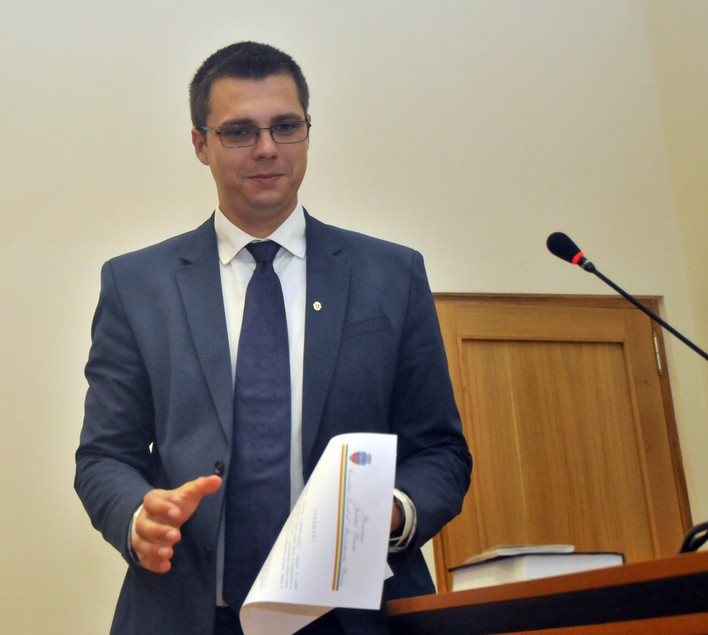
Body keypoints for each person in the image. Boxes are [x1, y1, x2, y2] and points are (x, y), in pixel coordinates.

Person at [75, 41, 472, 634]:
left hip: (355, 615)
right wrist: (139, 516)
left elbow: (440, 451)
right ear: (200, 144)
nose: (267, 148)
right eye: (239, 132)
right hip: (190, 614)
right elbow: (104, 456)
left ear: (307, 131)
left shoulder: (391, 275)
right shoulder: (137, 285)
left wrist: (390, 511)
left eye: (285, 126)